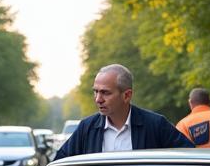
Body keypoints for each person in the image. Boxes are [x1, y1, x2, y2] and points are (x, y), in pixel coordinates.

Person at [54, 64, 192, 158]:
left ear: (127, 95)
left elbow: (190, 157)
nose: (98, 99)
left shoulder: (155, 125)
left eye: (105, 93)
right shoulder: (87, 128)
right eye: (95, 92)